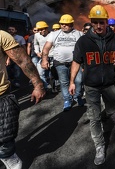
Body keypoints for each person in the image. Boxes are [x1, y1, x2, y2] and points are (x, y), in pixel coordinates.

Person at [69, 5, 115, 165]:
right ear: (91, 23)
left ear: (106, 22)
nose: (98, 26)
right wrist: (72, 82)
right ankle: (100, 146)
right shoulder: (83, 41)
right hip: (91, 86)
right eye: (95, 22)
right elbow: (76, 61)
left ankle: (106, 113)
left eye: (101, 22)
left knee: (112, 109)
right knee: (94, 117)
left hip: (109, 84)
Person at [0, 30, 45, 169]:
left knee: (4, 134)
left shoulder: (1, 35)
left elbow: (23, 60)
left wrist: (38, 84)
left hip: (1, 94)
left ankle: (9, 158)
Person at [41, 14, 84, 111]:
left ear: (71, 24)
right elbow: (46, 47)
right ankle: (67, 100)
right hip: (60, 63)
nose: (63, 26)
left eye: (66, 24)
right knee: (64, 82)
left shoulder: (79, 34)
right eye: (62, 24)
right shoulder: (54, 34)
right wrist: (44, 59)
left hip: (76, 63)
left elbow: (84, 48)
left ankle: (77, 96)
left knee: (78, 81)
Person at [34, 21, 52, 91]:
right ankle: (45, 87)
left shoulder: (52, 34)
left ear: (46, 28)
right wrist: (37, 52)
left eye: (42, 29)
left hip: (52, 56)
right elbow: (36, 44)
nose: (41, 31)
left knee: (52, 74)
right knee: (40, 73)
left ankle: (53, 86)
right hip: (43, 57)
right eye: (39, 30)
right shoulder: (37, 35)